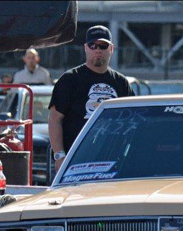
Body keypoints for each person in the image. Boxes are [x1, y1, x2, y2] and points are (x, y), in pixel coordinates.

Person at [48, 25, 134, 170]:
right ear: (86, 48)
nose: (97, 49)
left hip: (112, 160)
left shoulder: (121, 82)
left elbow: (133, 120)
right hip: (75, 161)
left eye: (103, 45)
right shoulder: (70, 79)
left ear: (111, 49)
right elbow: (54, 119)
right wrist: (59, 156)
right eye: (92, 45)